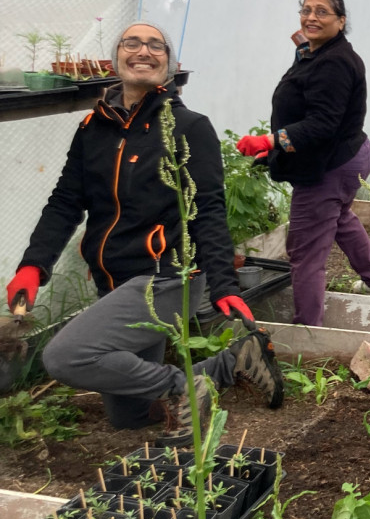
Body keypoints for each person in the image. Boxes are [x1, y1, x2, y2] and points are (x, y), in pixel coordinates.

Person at [5, 22, 284, 448]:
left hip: (166, 278)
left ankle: (185, 386)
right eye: (132, 42)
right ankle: (231, 364)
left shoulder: (188, 127)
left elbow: (207, 210)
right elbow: (65, 202)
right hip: (113, 281)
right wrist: (32, 265)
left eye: (156, 46)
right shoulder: (92, 129)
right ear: (116, 57)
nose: (143, 51)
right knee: (130, 416)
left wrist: (224, 284)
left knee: (64, 356)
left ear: (169, 65)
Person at [237, 0, 370, 326]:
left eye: (322, 12)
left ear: (341, 20)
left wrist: (271, 140)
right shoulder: (319, 53)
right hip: (348, 155)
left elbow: (322, 125)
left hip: (329, 166)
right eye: (306, 10)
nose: (311, 17)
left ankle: (309, 331)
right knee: (339, 217)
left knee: (305, 251)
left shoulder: (334, 62)